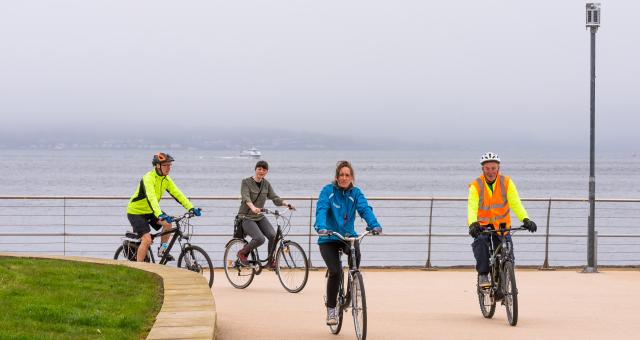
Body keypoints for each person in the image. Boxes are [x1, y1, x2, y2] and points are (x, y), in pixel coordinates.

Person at [315, 160, 382, 325]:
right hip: (328, 237)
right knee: (336, 271)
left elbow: (365, 209)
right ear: (337, 177)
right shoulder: (328, 191)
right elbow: (321, 209)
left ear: (351, 177)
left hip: (347, 236)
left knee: (355, 257)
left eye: (347, 175)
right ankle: (331, 310)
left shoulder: (356, 193)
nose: (344, 178)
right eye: (341, 175)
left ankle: (352, 287)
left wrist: (374, 225)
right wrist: (321, 227)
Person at [467, 152, 537, 288]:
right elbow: (472, 207)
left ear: (498, 168)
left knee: (508, 254)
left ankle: (504, 279)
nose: (491, 172)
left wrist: (526, 219)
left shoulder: (506, 183)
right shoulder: (476, 185)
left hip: (502, 226)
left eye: (493, 168)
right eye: (487, 168)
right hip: (482, 226)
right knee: (481, 242)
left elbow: (516, 203)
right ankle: (483, 275)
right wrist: (472, 224)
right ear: (483, 169)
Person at [126, 152, 201, 262]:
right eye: (166, 165)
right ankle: (139, 268)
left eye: (170, 165)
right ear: (157, 165)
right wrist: (160, 214)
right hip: (136, 212)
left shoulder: (166, 179)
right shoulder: (148, 178)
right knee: (146, 240)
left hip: (151, 211)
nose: (168, 168)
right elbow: (151, 198)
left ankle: (162, 250)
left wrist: (191, 208)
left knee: (168, 224)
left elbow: (178, 194)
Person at [236, 160, 294, 267]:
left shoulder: (266, 184)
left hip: (259, 216)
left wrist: (287, 204)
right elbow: (246, 197)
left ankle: (270, 261)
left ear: (267, 171)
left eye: (264, 170)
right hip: (246, 216)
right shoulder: (246, 182)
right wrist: (253, 207)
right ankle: (242, 253)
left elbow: (274, 198)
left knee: (273, 235)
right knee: (260, 239)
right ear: (255, 169)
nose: (261, 171)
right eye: (259, 169)